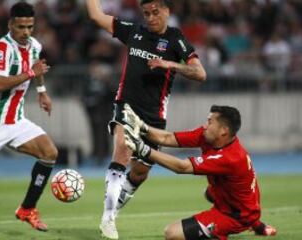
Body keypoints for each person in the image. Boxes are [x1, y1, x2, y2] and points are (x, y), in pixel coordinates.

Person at [85, 0, 206, 238]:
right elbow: (96, 16)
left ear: (167, 11)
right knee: (122, 149)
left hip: (154, 118)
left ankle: (112, 208)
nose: (150, 18)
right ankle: (108, 218)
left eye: (155, 12)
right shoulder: (133, 31)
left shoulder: (175, 39)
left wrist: (170, 64)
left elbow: (200, 73)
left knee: (139, 173)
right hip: (126, 107)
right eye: (146, 13)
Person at [123, 104, 277, 240]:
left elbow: (182, 167)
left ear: (223, 131)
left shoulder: (230, 157)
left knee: (172, 234)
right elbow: (167, 138)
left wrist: (143, 149)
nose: (205, 125)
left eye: (210, 122)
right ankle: (257, 225)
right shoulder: (207, 136)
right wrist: (141, 126)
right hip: (239, 200)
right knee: (209, 193)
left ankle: (242, 225)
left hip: (236, 215)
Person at [0, 2, 57, 232]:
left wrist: (42, 92)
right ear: (10, 24)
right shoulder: (1, 48)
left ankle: (27, 209)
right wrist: (30, 73)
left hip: (16, 120)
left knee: (49, 153)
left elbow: (37, 67)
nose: (25, 32)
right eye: (21, 27)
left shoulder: (35, 44)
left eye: (30, 26)